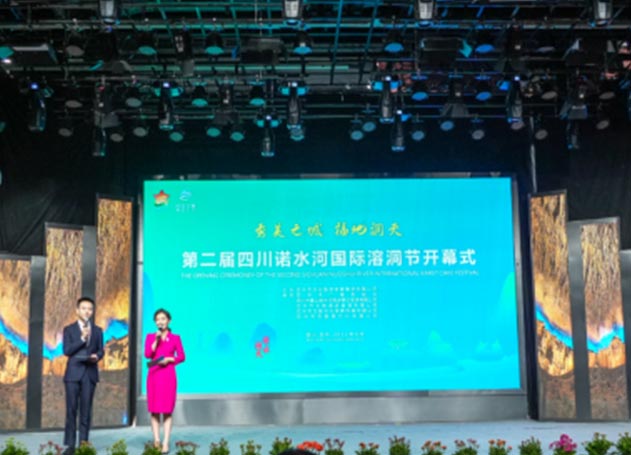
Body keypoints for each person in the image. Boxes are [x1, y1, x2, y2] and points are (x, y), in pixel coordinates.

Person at [62, 296, 104, 454]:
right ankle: (70, 445)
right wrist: (82, 338)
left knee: (86, 411)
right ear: (77, 310)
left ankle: (84, 444)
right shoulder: (69, 329)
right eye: (84, 308)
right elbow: (67, 351)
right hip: (73, 374)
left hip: (89, 373)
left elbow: (101, 350)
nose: (87, 311)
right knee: (71, 410)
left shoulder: (98, 330)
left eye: (90, 309)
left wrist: (97, 356)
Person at [144, 309, 185, 455]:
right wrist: (156, 340)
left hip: (168, 375)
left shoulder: (175, 338)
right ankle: (156, 440)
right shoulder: (150, 337)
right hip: (154, 375)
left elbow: (182, 356)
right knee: (154, 410)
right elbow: (148, 354)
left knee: (167, 410)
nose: (160, 322)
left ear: (169, 320)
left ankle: (165, 442)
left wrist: (169, 359)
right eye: (157, 319)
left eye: (163, 319)